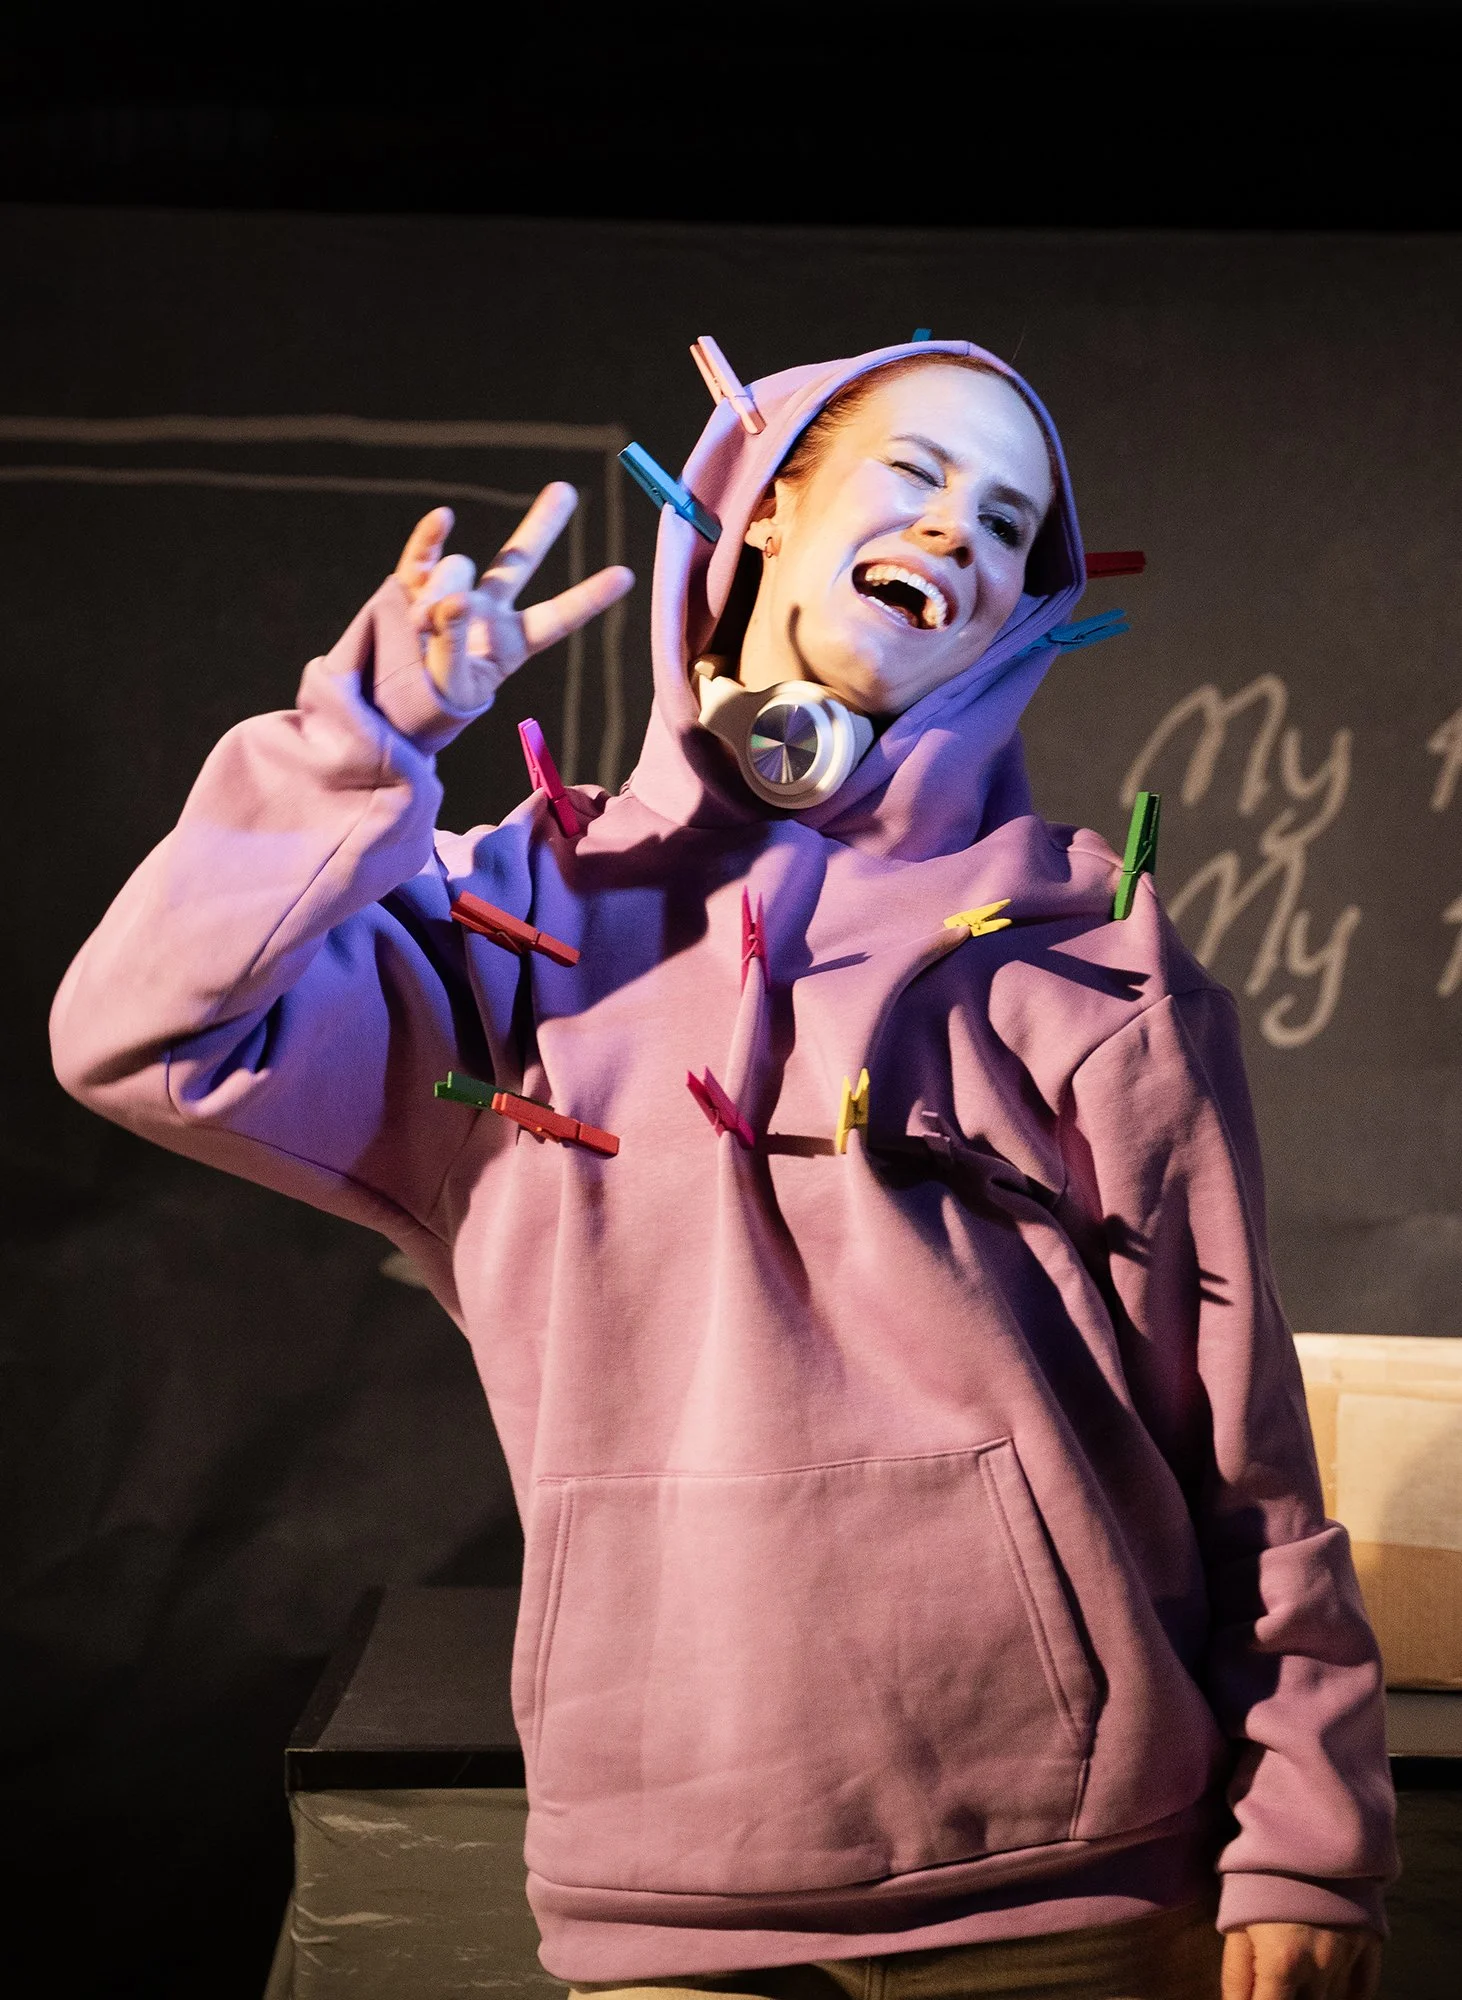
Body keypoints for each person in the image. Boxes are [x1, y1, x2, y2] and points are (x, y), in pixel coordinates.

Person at [52, 338, 1396, 2000]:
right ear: (760, 507)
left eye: (1006, 522)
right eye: (916, 476)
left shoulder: (1085, 952)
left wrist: (1308, 1824)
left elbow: (1237, 1436)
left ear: (1023, 611)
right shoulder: (508, 920)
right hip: (664, 1878)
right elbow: (141, 1041)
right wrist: (360, 749)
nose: (958, 531)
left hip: (1083, 1881)